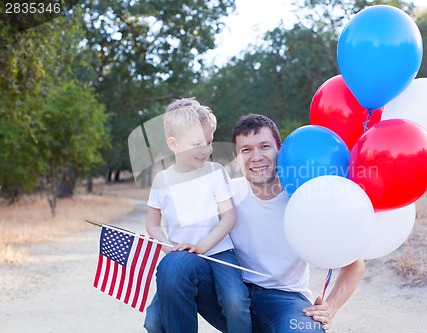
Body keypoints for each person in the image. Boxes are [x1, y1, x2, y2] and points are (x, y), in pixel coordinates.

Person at [144, 113, 365, 332]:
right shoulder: (226, 193)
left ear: (280, 150)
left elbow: (354, 263)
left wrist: (331, 306)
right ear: (236, 157)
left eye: (265, 146)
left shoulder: (303, 200)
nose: (256, 156)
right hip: (228, 293)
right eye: (246, 150)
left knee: (305, 330)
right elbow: (185, 239)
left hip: (284, 299)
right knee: (175, 263)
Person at [145, 98, 251, 333]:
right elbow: (152, 224)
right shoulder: (162, 180)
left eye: (209, 142)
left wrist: (202, 246)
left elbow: (229, 218)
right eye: (197, 143)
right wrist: (169, 248)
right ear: (174, 144)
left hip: (219, 251)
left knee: (236, 302)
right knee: (153, 321)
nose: (206, 149)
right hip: (182, 255)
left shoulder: (215, 172)